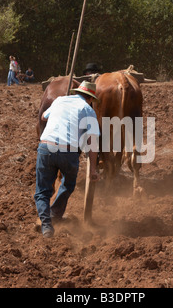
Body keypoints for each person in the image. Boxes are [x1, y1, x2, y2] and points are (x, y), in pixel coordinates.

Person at [34, 81, 101, 238]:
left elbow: (43, 117)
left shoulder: (59, 100)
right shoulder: (88, 110)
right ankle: (54, 214)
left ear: (76, 92)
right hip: (69, 151)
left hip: (46, 147)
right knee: (68, 185)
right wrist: (92, 169)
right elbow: (92, 142)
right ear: (90, 98)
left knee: (42, 191)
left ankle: (46, 225)